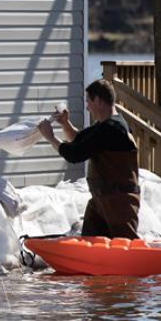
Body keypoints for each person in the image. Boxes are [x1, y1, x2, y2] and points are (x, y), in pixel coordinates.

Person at [38, 79, 140, 239]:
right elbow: (80, 140)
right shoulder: (105, 126)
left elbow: (75, 154)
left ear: (98, 100)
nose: (87, 107)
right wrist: (65, 123)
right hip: (101, 200)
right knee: (91, 243)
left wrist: (51, 138)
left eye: (89, 101)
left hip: (119, 202)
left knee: (127, 247)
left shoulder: (113, 128)